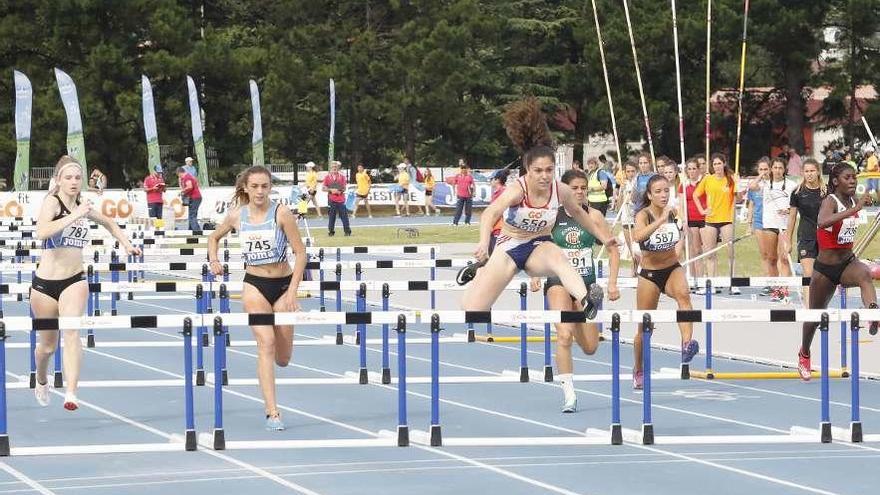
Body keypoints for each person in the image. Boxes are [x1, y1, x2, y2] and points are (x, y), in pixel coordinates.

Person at [462, 97, 616, 315]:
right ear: (528, 169)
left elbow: (579, 214)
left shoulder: (561, 190)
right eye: (538, 171)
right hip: (509, 247)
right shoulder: (518, 190)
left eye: (549, 170)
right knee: (473, 310)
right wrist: (483, 242)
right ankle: (480, 272)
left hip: (538, 245)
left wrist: (603, 236)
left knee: (559, 259)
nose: (544, 176)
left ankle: (586, 300)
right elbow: (490, 213)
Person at [31, 156, 142, 410]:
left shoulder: (84, 204)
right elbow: (42, 232)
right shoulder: (52, 201)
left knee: (71, 332)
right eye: (68, 177)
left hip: (75, 280)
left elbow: (110, 223)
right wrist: (74, 216)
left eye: (77, 178)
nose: (73, 182)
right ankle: (40, 378)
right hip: (45, 284)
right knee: (47, 347)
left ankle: (71, 393)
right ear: (58, 180)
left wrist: (126, 244)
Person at [207, 165, 307, 429]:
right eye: (255, 187)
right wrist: (214, 259)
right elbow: (213, 237)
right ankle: (272, 412)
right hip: (254, 285)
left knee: (283, 358)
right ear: (245, 188)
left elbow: (301, 253)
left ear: (270, 188)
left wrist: (293, 292)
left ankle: (273, 394)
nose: (260, 191)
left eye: (265, 186)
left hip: (283, 284)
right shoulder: (237, 216)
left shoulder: (282, 213)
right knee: (266, 343)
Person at [530, 169, 620, 412]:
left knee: (590, 347)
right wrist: (535, 275)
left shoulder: (595, 216)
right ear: (565, 190)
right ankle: (569, 394)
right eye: (575, 188)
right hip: (558, 281)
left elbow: (613, 249)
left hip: (585, 285)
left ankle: (581, 323)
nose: (580, 192)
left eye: (584, 188)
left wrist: (612, 283)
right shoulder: (552, 216)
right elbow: (535, 246)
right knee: (563, 335)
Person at [798, 163, 878, 381]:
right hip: (825, 269)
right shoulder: (830, 201)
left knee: (864, 274)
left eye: (855, 177)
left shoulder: (853, 200)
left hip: (847, 262)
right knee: (815, 316)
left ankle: (872, 312)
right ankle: (804, 352)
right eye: (848, 178)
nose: (853, 181)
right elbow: (822, 222)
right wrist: (855, 209)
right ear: (835, 182)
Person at [631, 174, 699, 389]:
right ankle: (638, 368)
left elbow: (680, 237)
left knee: (684, 296)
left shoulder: (674, 212)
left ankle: (686, 344)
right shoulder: (644, 214)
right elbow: (637, 236)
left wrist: (678, 248)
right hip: (650, 274)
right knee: (644, 326)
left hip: (671, 268)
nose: (663, 195)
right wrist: (660, 221)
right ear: (649, 195)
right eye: (658, 191)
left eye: (666, 191)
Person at [751, 157, 797, 301]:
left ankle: (784, 289)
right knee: (771, 258)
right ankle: (775, 287)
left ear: (784, 170)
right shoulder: (765, 184)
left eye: (780, 168)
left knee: (784, 258)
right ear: (771, 169)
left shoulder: (791, 185)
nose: (777, 171)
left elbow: (796, 207)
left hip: (784, 225)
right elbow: (752, 186)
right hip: (769, 224)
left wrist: (788, 210)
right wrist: (762, 175)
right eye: (775, 167)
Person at [693, 153, 740, 295]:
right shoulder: (708, 179)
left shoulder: (731, 179)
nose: (717, 166)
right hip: (711, 220)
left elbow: (738, 198)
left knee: (730, 252)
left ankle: (733, 284)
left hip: (726, 219)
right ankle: (711, 284)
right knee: (710, 254)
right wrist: (702, 210)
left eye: (719, 163)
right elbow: (696, 195)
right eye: (714, 164)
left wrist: (737, 184)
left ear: (724, 163)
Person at [784, 158, 826, 307]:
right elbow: (792, 217)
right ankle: (809, 310)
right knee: (808, 274)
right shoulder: (797, 192)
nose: (809, 174)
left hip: (824, 237)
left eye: (812, 171)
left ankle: (820, 305)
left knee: (822, 276)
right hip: (805, 237)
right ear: (802, 173)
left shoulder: (826, 191)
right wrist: (787, 240)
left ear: (818, 172)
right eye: (806, 171)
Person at [746, 158, 776, 298]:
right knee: (764, 254)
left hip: (772, 222)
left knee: (772, 256)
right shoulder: (756, 186)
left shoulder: (773, 184)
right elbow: (751, 204)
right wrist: (749, 224)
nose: (763, 172)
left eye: (766, 169)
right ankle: (767, 282)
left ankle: (776, 282)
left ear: (770, 169)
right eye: (761, 169)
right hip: (758, 222)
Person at [681, 159, 706, 290]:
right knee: (694, 250)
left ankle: (705, 278)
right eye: (689, 169)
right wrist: (683, 220)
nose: (692, 171)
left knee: (705, 250)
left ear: (698, 169)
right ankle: (695, 279)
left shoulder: (704, 182)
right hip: (691, 220)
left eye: (694, 168)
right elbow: (681, 203)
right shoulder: (684, 186)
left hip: (705, 219)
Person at [323, 160, 351, 237]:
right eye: (333, 167)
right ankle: (331, 231)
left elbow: (344, 188)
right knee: (332, 217)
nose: (334, 168)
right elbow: (323, 188)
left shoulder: (342, 177)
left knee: (344, 216)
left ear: (338, 167)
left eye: (335, 167)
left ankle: (347, 231)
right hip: (331, 200)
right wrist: (331, 190)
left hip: (341, 200)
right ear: (330, 168)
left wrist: (339, 191)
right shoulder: (327, 177)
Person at [176, 166, 202, 231]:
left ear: (180, 173)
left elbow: (190, 186)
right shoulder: (188, 176)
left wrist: (182, 191)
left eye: (179, 175)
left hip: (195, 197)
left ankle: (197, 231)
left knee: (192, 215)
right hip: (196, 197)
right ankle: (190, 230)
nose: (179, 177)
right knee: (191, 214)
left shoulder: (187, 177)